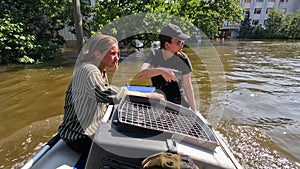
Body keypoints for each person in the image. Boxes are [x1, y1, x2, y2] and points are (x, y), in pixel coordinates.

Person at [58, 34, 164, 156]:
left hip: (92, 129)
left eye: (117, 54)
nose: (117, 58)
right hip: (78, 137)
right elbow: (103, 93)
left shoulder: (101, 70)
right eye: (112, 54)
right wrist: (145, 96)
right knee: (129, 151)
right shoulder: (88, 70)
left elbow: (108, 97)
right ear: (97, 54)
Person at [139, 23, 197, 111]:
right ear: (166, 45)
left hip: (178, 101)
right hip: (159, 98)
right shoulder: (154, 54)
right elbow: (142, 74)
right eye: (178, 42)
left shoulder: (183, 59)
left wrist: (194, 110)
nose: (182, 44)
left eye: (182, 42)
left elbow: (187, 86)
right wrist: (162, 71)